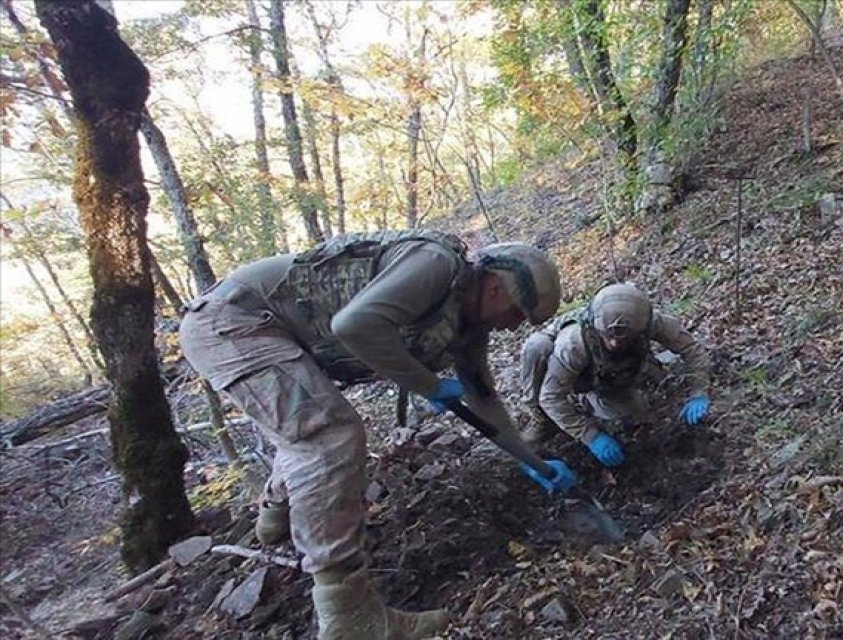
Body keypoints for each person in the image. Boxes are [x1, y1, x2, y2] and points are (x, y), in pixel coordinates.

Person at [178, 230, 577, 639]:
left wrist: (535, 463)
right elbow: (355, 325)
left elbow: (484, 399)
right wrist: (429, 385)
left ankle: (276, 517)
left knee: (311, 417)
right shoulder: (436, 264)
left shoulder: (468, 323)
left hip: (264, 330)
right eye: (516, 314)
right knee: (329, 432)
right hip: (233, 322)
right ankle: (348, 615)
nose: (512, 328)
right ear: (495, 287)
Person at [520, 283, 711, 467]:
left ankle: (593, 399)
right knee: (537, 346)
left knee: (631, 412)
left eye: (623, 337)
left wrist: (699, 391)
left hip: (610, 372)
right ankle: (541, 419)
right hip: (571, 371)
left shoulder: (648, 321)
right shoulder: (572, 342)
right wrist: (591, 436)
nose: (614, 343)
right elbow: (551, 397)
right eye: (607, 336)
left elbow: (691, 349)